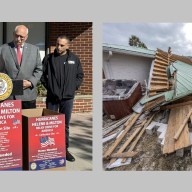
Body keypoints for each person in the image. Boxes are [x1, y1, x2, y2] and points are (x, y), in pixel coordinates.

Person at [41, 35, 84, 162]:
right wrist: (50, 87)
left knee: (65, 125)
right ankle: (50, 150)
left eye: (62, 45)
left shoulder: (74, 59)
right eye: (57, 44)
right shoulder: (49, 58)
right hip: (52, 97)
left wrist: (73, 87)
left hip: (68, 98)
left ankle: (64, 150)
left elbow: (80, 75)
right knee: (51, 124)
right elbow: (42, 75)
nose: (58, 47)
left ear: (68, 46)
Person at [0, 25, 42, 109]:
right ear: (13, 34)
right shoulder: (2, 49)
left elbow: (39, 69)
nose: (18, 39)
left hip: (28, 95)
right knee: (10, 122)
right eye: (16, 35)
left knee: (27, 121)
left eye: (21, 37)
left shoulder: (34, 50)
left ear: (26, 37)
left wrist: (31, 82)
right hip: (9, 96)